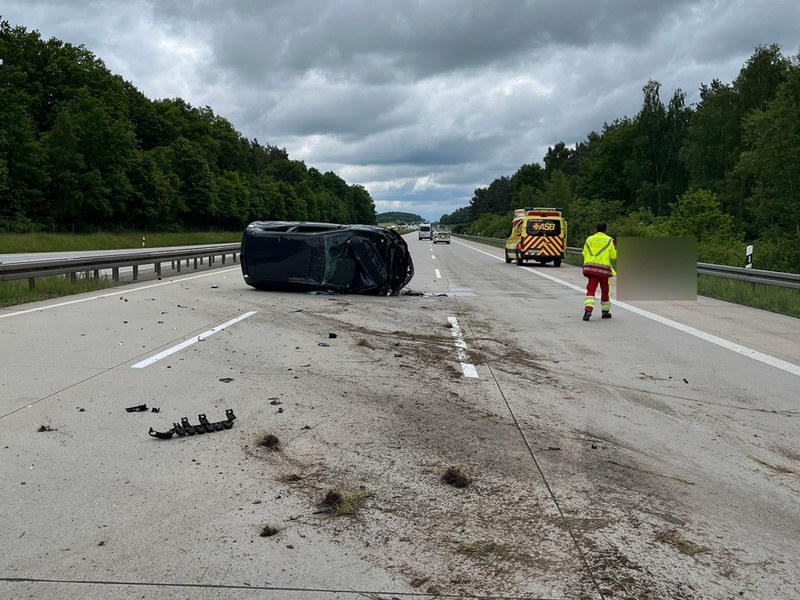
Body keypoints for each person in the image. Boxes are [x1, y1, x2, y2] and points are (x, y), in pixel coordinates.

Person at [582, 221, 617, 321]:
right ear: (605, 230)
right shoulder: (610, 240)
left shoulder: (589, 239)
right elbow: (613, 256)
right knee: (605, 290)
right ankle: (605, 312)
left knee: (590, 290)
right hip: (603, 271)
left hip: (590, 269)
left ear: (596, 229)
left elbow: (584, 253)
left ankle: (588, 309)